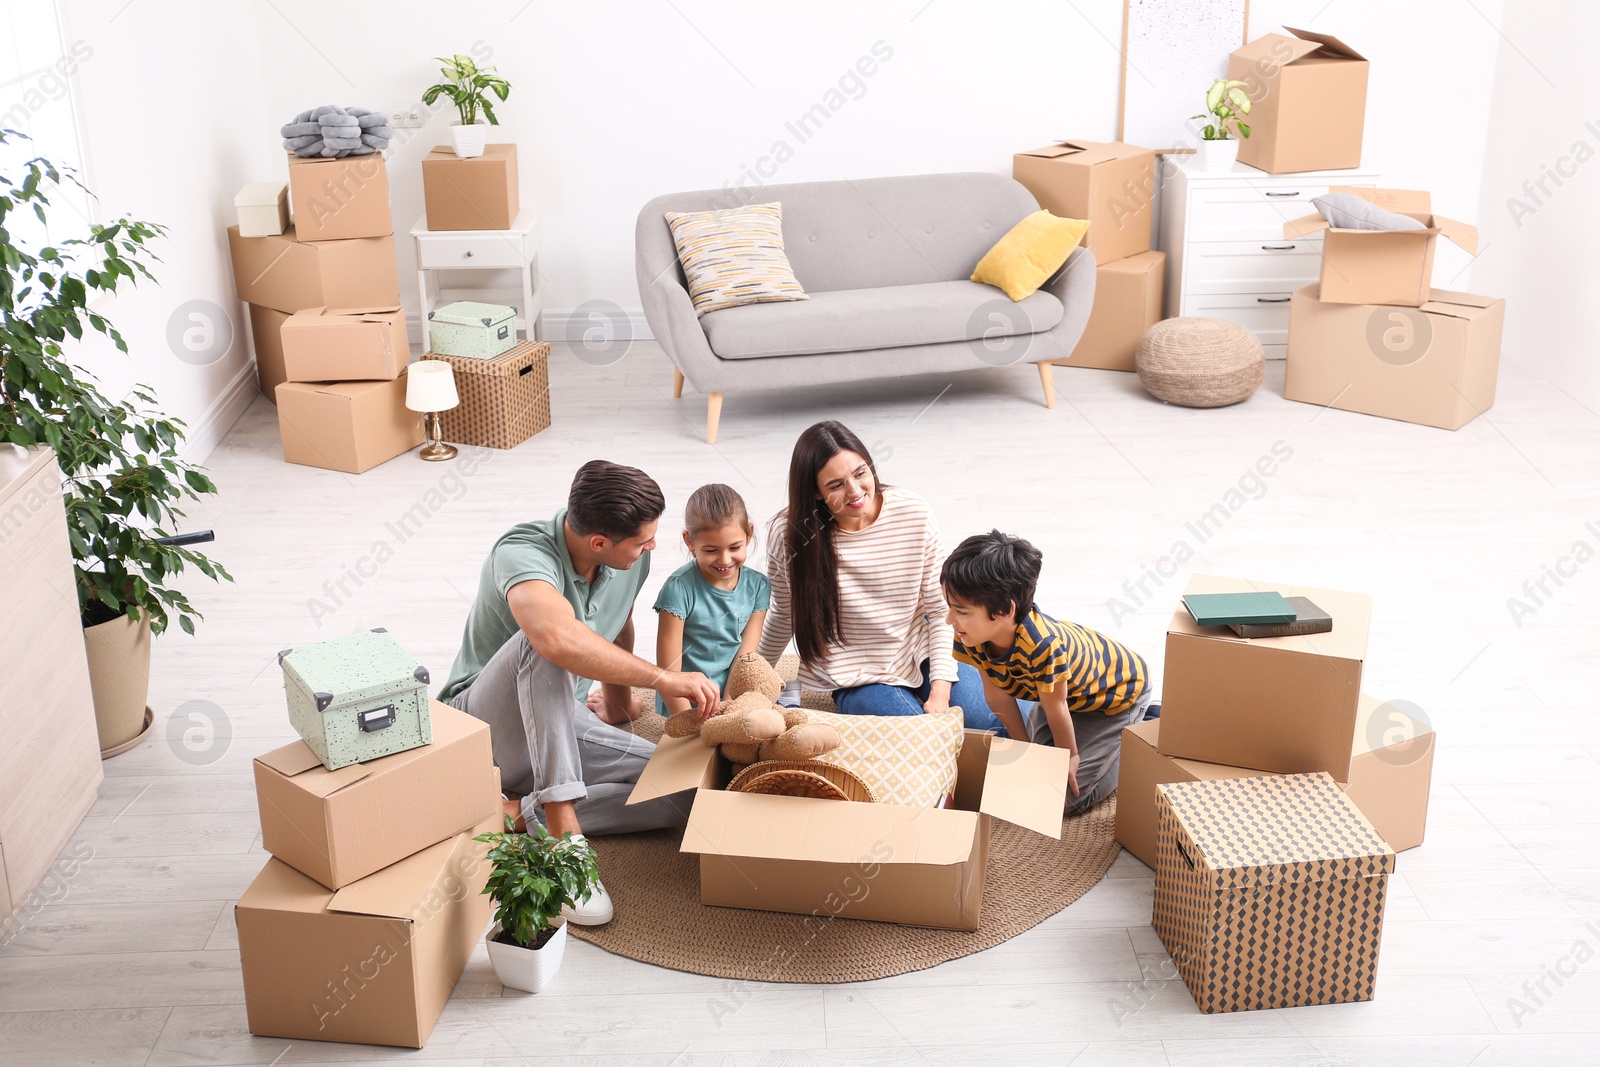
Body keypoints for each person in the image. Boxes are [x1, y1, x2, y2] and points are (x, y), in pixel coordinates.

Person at [438, 460, 721, 924]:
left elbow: (619, 622)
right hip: (482, 733)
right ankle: (563, 835)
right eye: (643, 540)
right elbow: (555, 639)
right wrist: (663, 679)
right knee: (546, 639)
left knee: (688, 788)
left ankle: (517, 814)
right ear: (598, 543)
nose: (652, 545)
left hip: (558, 722)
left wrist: (618, 703)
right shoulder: (522, 551)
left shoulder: (632, 557)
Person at [759, 420, 1001, 731]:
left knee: (991, 725)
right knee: (918, 737)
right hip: (855, 674)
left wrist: (940, 690)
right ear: (816, 493)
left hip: (920, 650)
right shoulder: (789, 535)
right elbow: (784, 615)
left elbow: (940, 610)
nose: (856, 491)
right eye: (836, 485)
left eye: (860, 473)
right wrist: (753, 676)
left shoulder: (914, 512)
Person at [941, 529, 1157, 815]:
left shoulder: (1043, 646)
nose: (949, 620)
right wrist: (1025, 753)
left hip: (1116, 697)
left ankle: (1141, 733)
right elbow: (997, 696)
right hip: (1060, 698)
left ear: (1005, 610)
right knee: (1035, 781)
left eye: (961, 611)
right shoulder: (970, 635)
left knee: (1064, 800)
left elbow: (1056, 709)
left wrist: (1069, 757)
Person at [654, 483, 771, 718]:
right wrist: (688, 724)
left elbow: (745, 658)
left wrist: (727, 708)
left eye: (734, 547)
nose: (724, 560)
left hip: (730, 697)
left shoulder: (759, 586)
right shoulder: (679, 589)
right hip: (684, 702)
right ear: (690, 542)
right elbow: (668, 672)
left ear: (748, 534)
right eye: (710, 551)